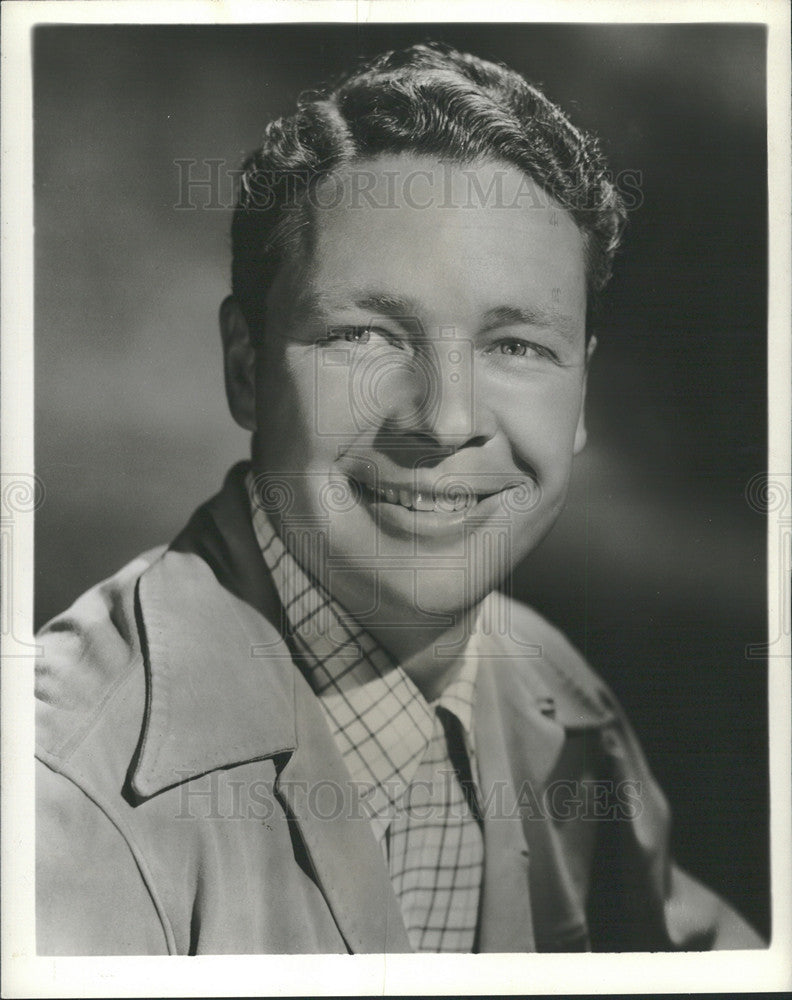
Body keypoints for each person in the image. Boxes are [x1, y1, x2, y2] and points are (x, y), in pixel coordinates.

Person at [35, 42, 764, 954]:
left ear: (581, 396)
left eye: (517, 346)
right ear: (247, 369)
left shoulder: (559, 701)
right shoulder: (57, 797)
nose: (446, 418)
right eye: (368, 335)